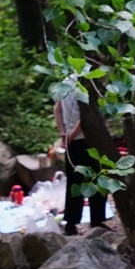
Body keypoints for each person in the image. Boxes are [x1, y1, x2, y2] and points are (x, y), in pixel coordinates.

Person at [53, 91, 106, 235]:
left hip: (72, 142)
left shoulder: (64, 83)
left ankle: (71, 223)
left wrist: (63, 133)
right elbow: (86, 115)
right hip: (89, 139)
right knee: (97, 178)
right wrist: (71, 135)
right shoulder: (85, 84)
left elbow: (57, 109)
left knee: (74, 181)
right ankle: (97, 221)